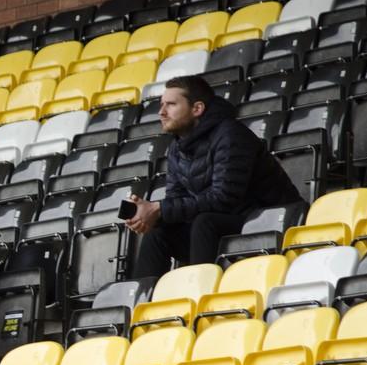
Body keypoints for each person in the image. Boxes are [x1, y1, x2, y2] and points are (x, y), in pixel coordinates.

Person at [126, 75, 303, 278]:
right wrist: (152, 216)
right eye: (161, 105)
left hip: (265, 219)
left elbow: (224, 198)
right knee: (158, 232)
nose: (161, 112)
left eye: (171, 104)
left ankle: (200, 290)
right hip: (222, 224)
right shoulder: (177, 147)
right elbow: (177, 199)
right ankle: (144, 296)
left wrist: (159, 208)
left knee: (204, 222)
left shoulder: (231, 135)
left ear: (197, 108)